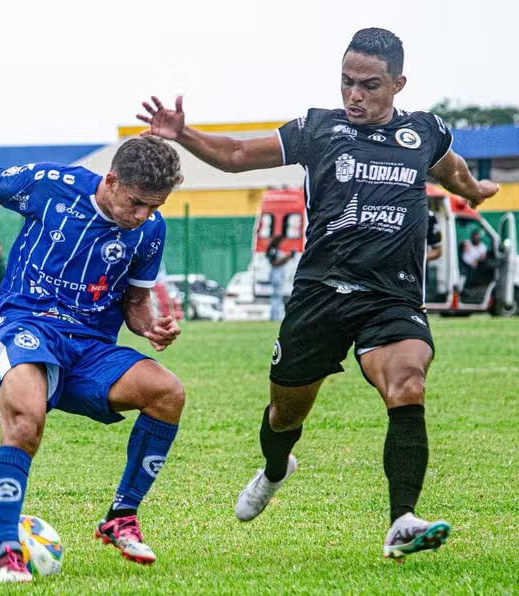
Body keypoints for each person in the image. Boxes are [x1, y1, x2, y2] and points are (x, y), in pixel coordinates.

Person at [137, 27, 500, 560]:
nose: (355, 95)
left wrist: (474, 191)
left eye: (370, 85)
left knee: (407, 383)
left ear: (398, 84)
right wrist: (183, 134)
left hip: (391, 296)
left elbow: (451, 168)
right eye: (347, 82)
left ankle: (402, 521)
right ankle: (276, 468)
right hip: (319, 295)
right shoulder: (318, 128)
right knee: (285, 415)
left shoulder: (424, 131)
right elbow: (237, 154)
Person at [0, 137, 185, 584]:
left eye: (154, 205)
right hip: (26, 327)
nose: (144, 215)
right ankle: (6, 549)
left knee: (167, 393)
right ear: (111, 181)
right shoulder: (51, 183)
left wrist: (150, 326)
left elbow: (136, 301)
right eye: (137, 203)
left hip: (89, 347)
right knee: (26, 422)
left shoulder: (150, 229)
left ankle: (121, 518)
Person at [266, 235, 293, 321]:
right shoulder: (274, 250)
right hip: (276, 274)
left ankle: (275, 315)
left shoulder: (274, 250)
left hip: (278, 274)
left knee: (277, 296)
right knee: (276, 296)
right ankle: (275, 316)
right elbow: (275, 263)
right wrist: (287, 257)